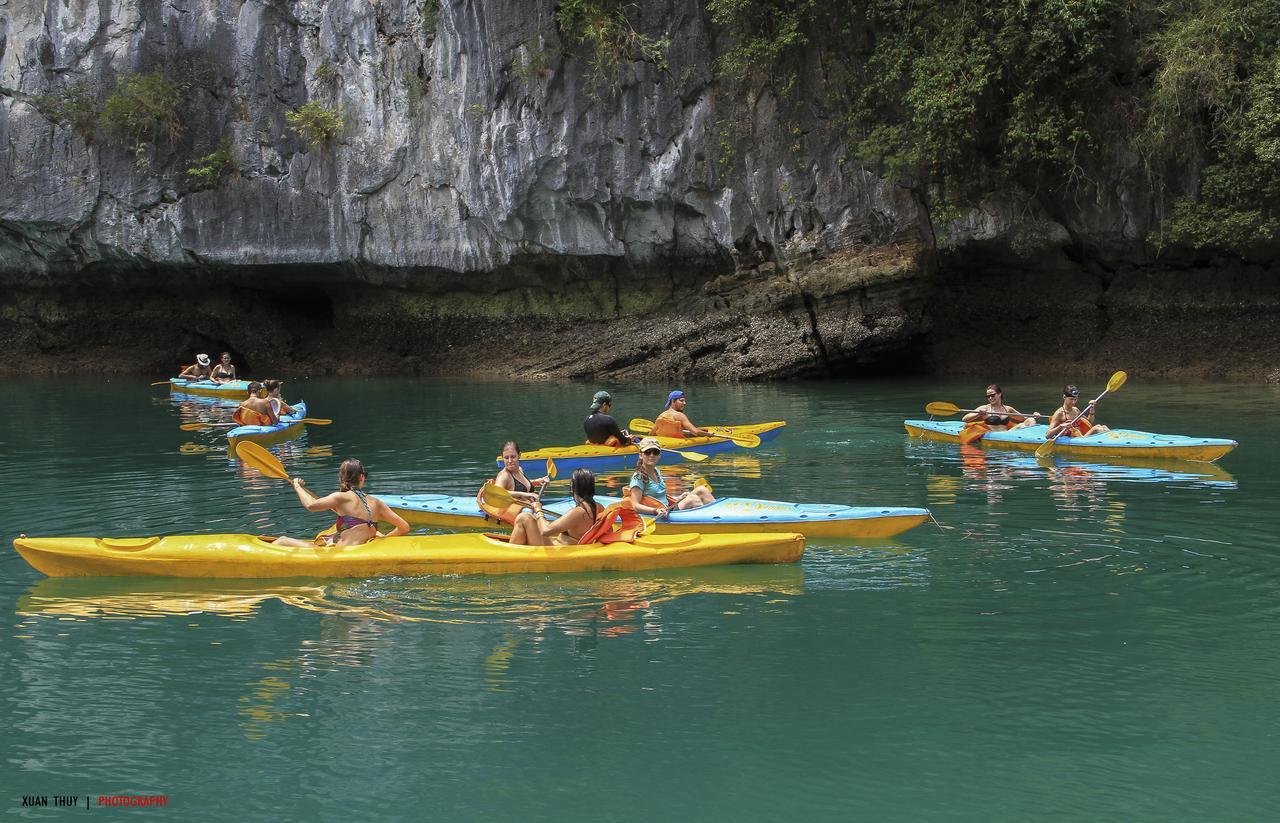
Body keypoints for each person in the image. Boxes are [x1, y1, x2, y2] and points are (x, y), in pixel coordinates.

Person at [274, 458, 409, 547]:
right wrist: (381, 541)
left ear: (342, 478)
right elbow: (404, 527)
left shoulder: (340, 498)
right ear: (362, 477)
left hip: (341, 553)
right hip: (363, 550)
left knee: (282, 540)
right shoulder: (377, 503)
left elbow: (311, 505)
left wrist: (297, 486)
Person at [626, 437, 715, 518]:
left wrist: (677, 498)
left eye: (655, 452)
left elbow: (660, 496)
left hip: (668, 507)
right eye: (647, 452)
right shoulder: (638, 477)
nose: (652, 455)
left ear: (659, 455)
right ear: (641, 455)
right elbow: (635, 506)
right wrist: (655, 511)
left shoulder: (656, 470)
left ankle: (719, 514)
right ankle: (710, 522)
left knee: (701, 490)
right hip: (661, 512)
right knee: (693, 499)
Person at [509, 468, 600, 546]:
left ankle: (509, 555)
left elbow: (545, 531)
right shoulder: (599, 507)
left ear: (574, 488)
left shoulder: (579, 512)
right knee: (528, 518)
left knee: (523, 518)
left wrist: (538, 510)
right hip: (565, 547)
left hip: (556, 551)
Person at [476, 441, 548, 507]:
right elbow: (496, 493)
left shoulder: (519, 469)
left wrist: (537, 481)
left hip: (530, 507)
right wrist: (524, 494)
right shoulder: (504, 476)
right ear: (502, 458)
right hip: (516, 515)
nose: (510, 461)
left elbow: (521, 484)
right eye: (506, 458)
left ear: (519, 455)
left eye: (513, 457)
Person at [1046, 384, 1111, 439]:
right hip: (1072, 440)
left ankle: (1115, 442)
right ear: (1064, 397)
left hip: (1080, 438)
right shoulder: (1059, 413)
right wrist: (1060, 427)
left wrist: (1092, 409)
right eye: (1071, 399)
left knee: (1103, 426)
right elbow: (1047, 435)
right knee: (1096, 428)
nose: (1074, 402)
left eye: (1075, 399)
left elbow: (1089, 422)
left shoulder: (1076, 410)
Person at [962, 384, 1039, 429]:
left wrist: (1034, 415)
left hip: (1007, 434)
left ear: (999, 394)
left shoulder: (1008, 409)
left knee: (1031, 420)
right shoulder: (985, 408)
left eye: (992, 395)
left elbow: (1023, 418)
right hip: (992, 435)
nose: (990, 398)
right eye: (988, 396)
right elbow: (965, 419)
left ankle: (1034, 441)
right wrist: (978, 414)